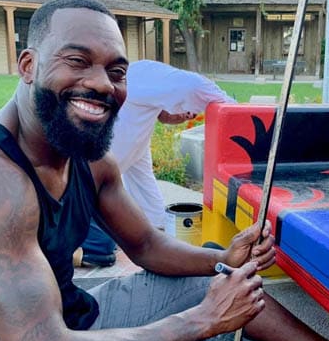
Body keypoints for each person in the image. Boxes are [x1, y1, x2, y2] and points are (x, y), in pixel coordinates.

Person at [0, 0, 329, 341]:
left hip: (71, 319)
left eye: (117, 72)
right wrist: (203, 321)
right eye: (77, 61)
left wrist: (224, 258)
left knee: (219, 279)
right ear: (29, 65)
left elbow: (145, 244)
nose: (100, 84)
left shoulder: (86, 155)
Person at [75, 61, 235, 267]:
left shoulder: (136, 131)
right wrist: (234, 109)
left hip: (91, 187)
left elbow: (146, 192)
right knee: (101, 249)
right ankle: (51, 248)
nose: (186, 116)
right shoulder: (141, 73)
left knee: (120, 236)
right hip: (70, 191)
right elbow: (194, 87)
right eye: (184, 108)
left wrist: (167, 231)